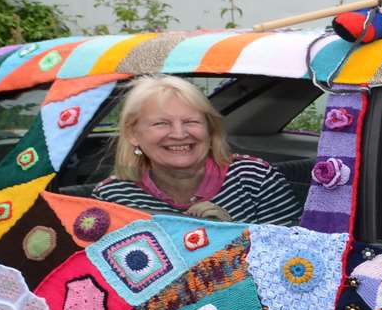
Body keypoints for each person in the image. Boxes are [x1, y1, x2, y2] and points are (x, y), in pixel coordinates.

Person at [93, 75, 303, 225]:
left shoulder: (254, 178)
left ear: (210, 129)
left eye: (191, 121)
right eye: (161, 124)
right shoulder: (112, 197)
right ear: (133, 134)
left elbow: (295, 261)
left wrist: (229, 233)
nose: (179, 133)